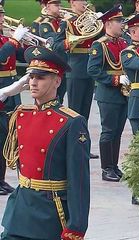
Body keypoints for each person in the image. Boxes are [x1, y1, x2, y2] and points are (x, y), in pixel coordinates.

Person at [1, 46, 91, 240]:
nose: (33, 82)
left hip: (50, 213)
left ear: (57, 81)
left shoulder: (71, 122)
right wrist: (6, 92)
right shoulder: (21, 114)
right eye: (31, 77)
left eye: (40, 77)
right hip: (20, 208)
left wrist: (76, 227)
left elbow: (79, 180)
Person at [53, 0, 99, 158]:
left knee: (85, 111)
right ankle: (71, 147)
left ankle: (83, 146)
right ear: (72, 2)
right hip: (75, 69)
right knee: (74, 111)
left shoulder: (92, 20)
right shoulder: (67, 23)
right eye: (81, 0)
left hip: (89, 69)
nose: (85, 3)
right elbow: (56, 45)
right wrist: (70, 41)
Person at [87, 5, 128, 182]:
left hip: (123, 94)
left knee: (118, 131)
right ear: (108, 23)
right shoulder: (100, 45)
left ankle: (114, 165)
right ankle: (106, 168)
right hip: (108, 94)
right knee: (108, 131)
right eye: (118, 21)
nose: (122, 25)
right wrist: (116, 80)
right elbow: (93, 70)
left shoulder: (124, 43)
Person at [0, 2, 28, 195]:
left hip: (12, 90)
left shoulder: (4, 37)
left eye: (2, 15)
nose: (2, 19)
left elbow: (21, 55)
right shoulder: (7, 40)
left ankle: (1, 180)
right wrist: (13, 42)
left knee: (8, 136)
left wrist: (25, 43)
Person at [39, 0, 67, 103]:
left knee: (60, 99)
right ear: (48, 7)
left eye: (60, 5)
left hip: (63, 64)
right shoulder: (45, 24)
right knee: (48, 98)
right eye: (56, 5)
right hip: (51, 65)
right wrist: (64, 25)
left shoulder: (61, 21)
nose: (59, 7)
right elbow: (54, 41)